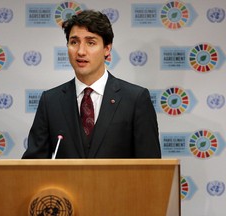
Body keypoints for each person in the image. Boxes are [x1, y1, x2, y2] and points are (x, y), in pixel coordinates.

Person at [22, 10, 161, 159]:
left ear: (107, 49)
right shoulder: (50, 101)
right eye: (74, 42)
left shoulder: (135, 99)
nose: (81, 51)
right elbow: (33, 167)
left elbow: (151, 168)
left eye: (91, 43)